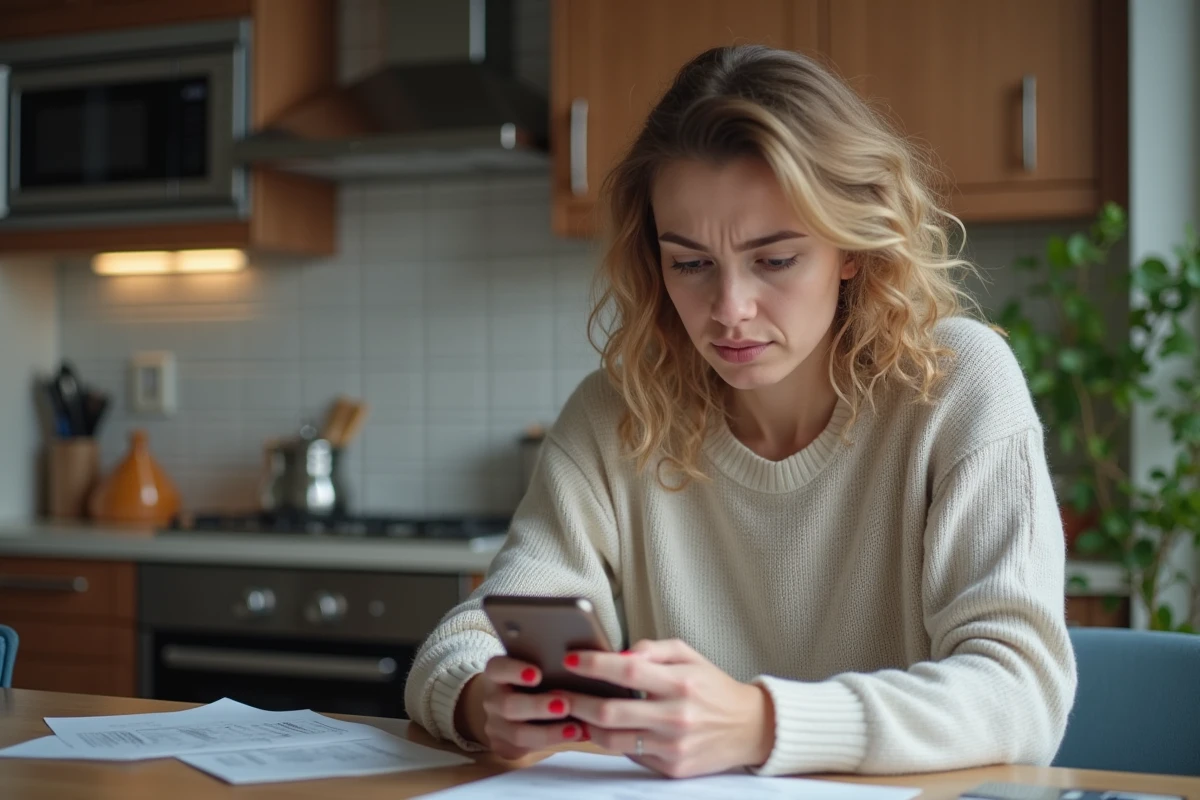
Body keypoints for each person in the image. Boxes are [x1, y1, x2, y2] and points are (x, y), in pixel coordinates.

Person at [404, 44, 1076, 779]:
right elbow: (470, 636)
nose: (729, 311)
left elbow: (1022, 696)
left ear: (852, 246)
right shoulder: (617, 413)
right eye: (690, 264)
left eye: (776, 258)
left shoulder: (956, 385)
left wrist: (762, 724)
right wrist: (478, 698)